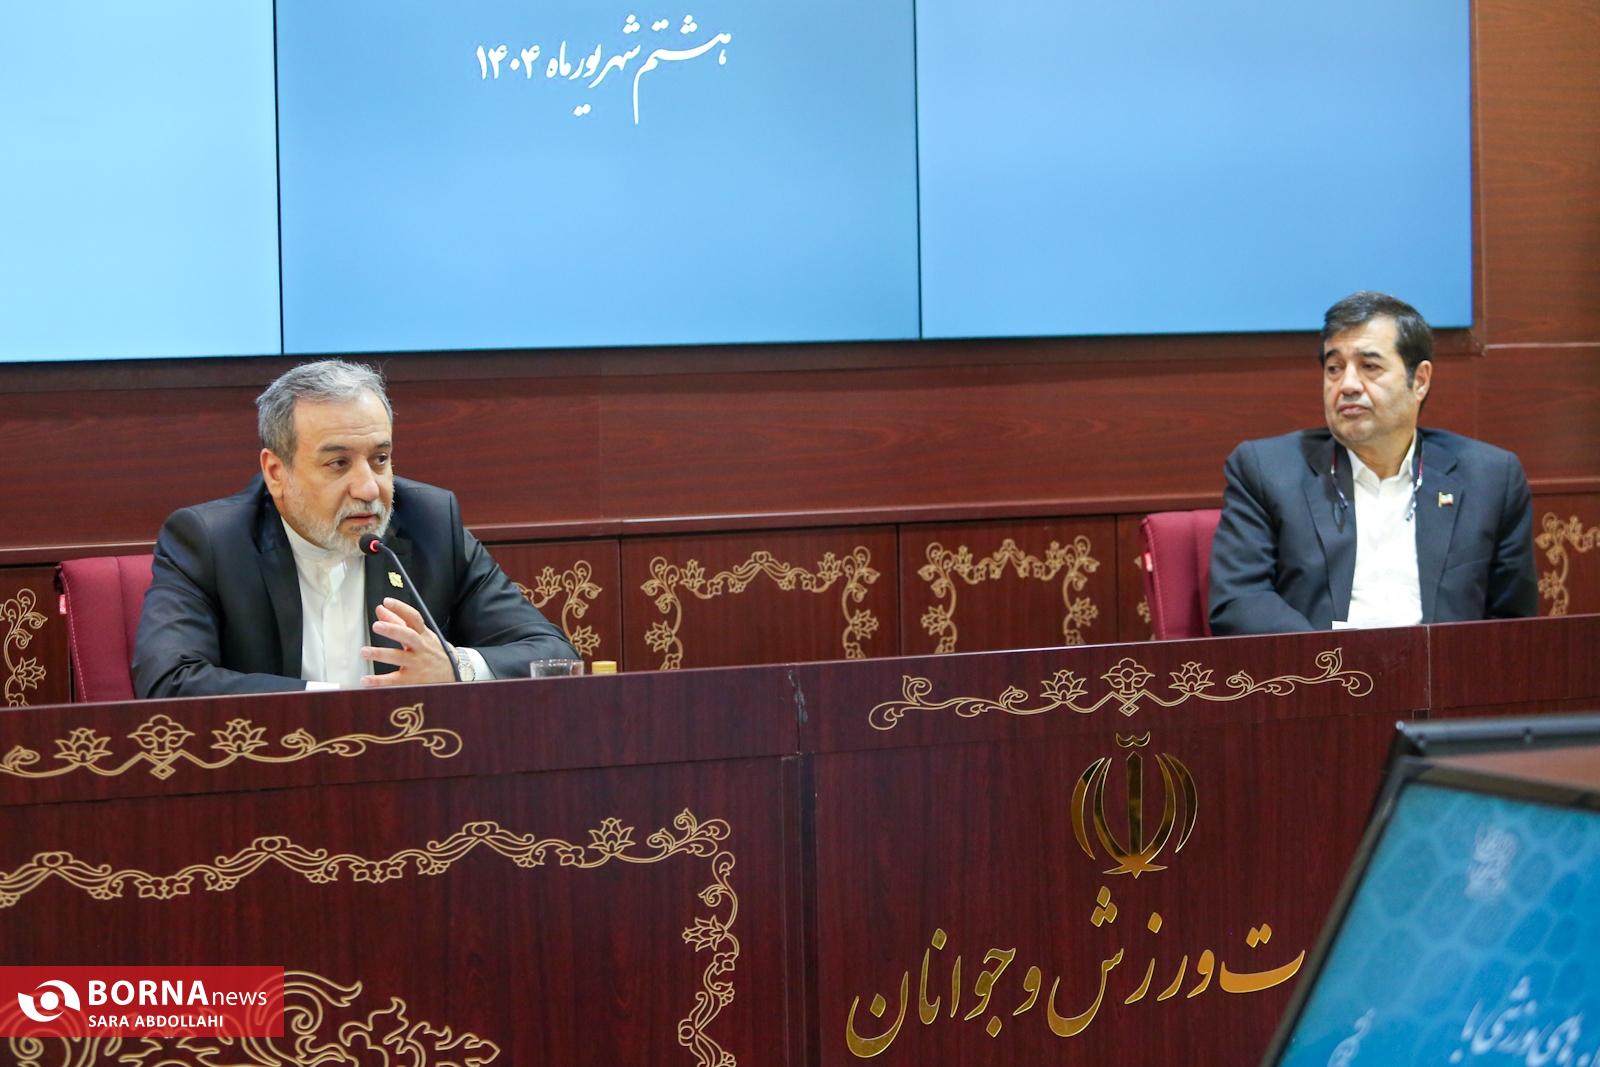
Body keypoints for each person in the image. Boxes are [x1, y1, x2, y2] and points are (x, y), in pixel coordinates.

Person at [133, 360, 576, 697]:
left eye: (380, 459)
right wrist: (334, 705)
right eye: (338, 463)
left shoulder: (429, 523)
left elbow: (553, 655)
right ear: (276, 472)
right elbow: (168, 680)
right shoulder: (211, 542)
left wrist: (454, 668)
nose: (368, 488)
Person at [1208, 291, 1536, 636]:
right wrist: (1334, 659)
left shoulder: (1489, 479)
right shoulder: (1267, 471)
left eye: (1370, 367)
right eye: (1334, 368)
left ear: (1419, 380)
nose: (1347, 385)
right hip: (1322, 666)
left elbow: (1512, 621)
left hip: (1443, 668)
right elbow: (1240, 602)